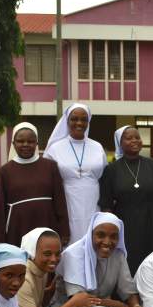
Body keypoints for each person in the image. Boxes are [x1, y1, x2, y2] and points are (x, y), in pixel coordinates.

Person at [99, 125, 153, 275]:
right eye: (129, 138)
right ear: (120, 143)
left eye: (137, 137)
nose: (135, 140)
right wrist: (110, 231)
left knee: (152, 262)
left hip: (151, 223)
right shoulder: (112, 170)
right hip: (125, 226)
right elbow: (106, 205)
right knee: (128, 262)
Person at [17, 227, 101, 307]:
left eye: (58, 254)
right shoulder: (23, 278)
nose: (54, 259)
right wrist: (72, 304)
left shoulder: (41, 269)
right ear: (32, 252)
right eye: (47, 254)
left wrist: (48, 291)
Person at [0, 122, 70, 247]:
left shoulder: (50, 166)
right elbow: (0, 210)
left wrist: (64, 231)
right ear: (13, 143)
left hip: (47, 223)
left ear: (37, 143)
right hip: (17, 227)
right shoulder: (4, 171)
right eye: (20, 141)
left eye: (30, 141)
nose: (25, 145)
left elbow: (60, 202)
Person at [45, 103, 108, 243]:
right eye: (74, 119)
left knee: (93, 240)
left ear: (88, 122)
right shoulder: (55, 148)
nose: (79, 123)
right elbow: (48, 181)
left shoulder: (97, 147)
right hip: (67, 201)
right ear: (67, 121)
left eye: (84, 119)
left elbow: (105, 177)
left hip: (93, 202)